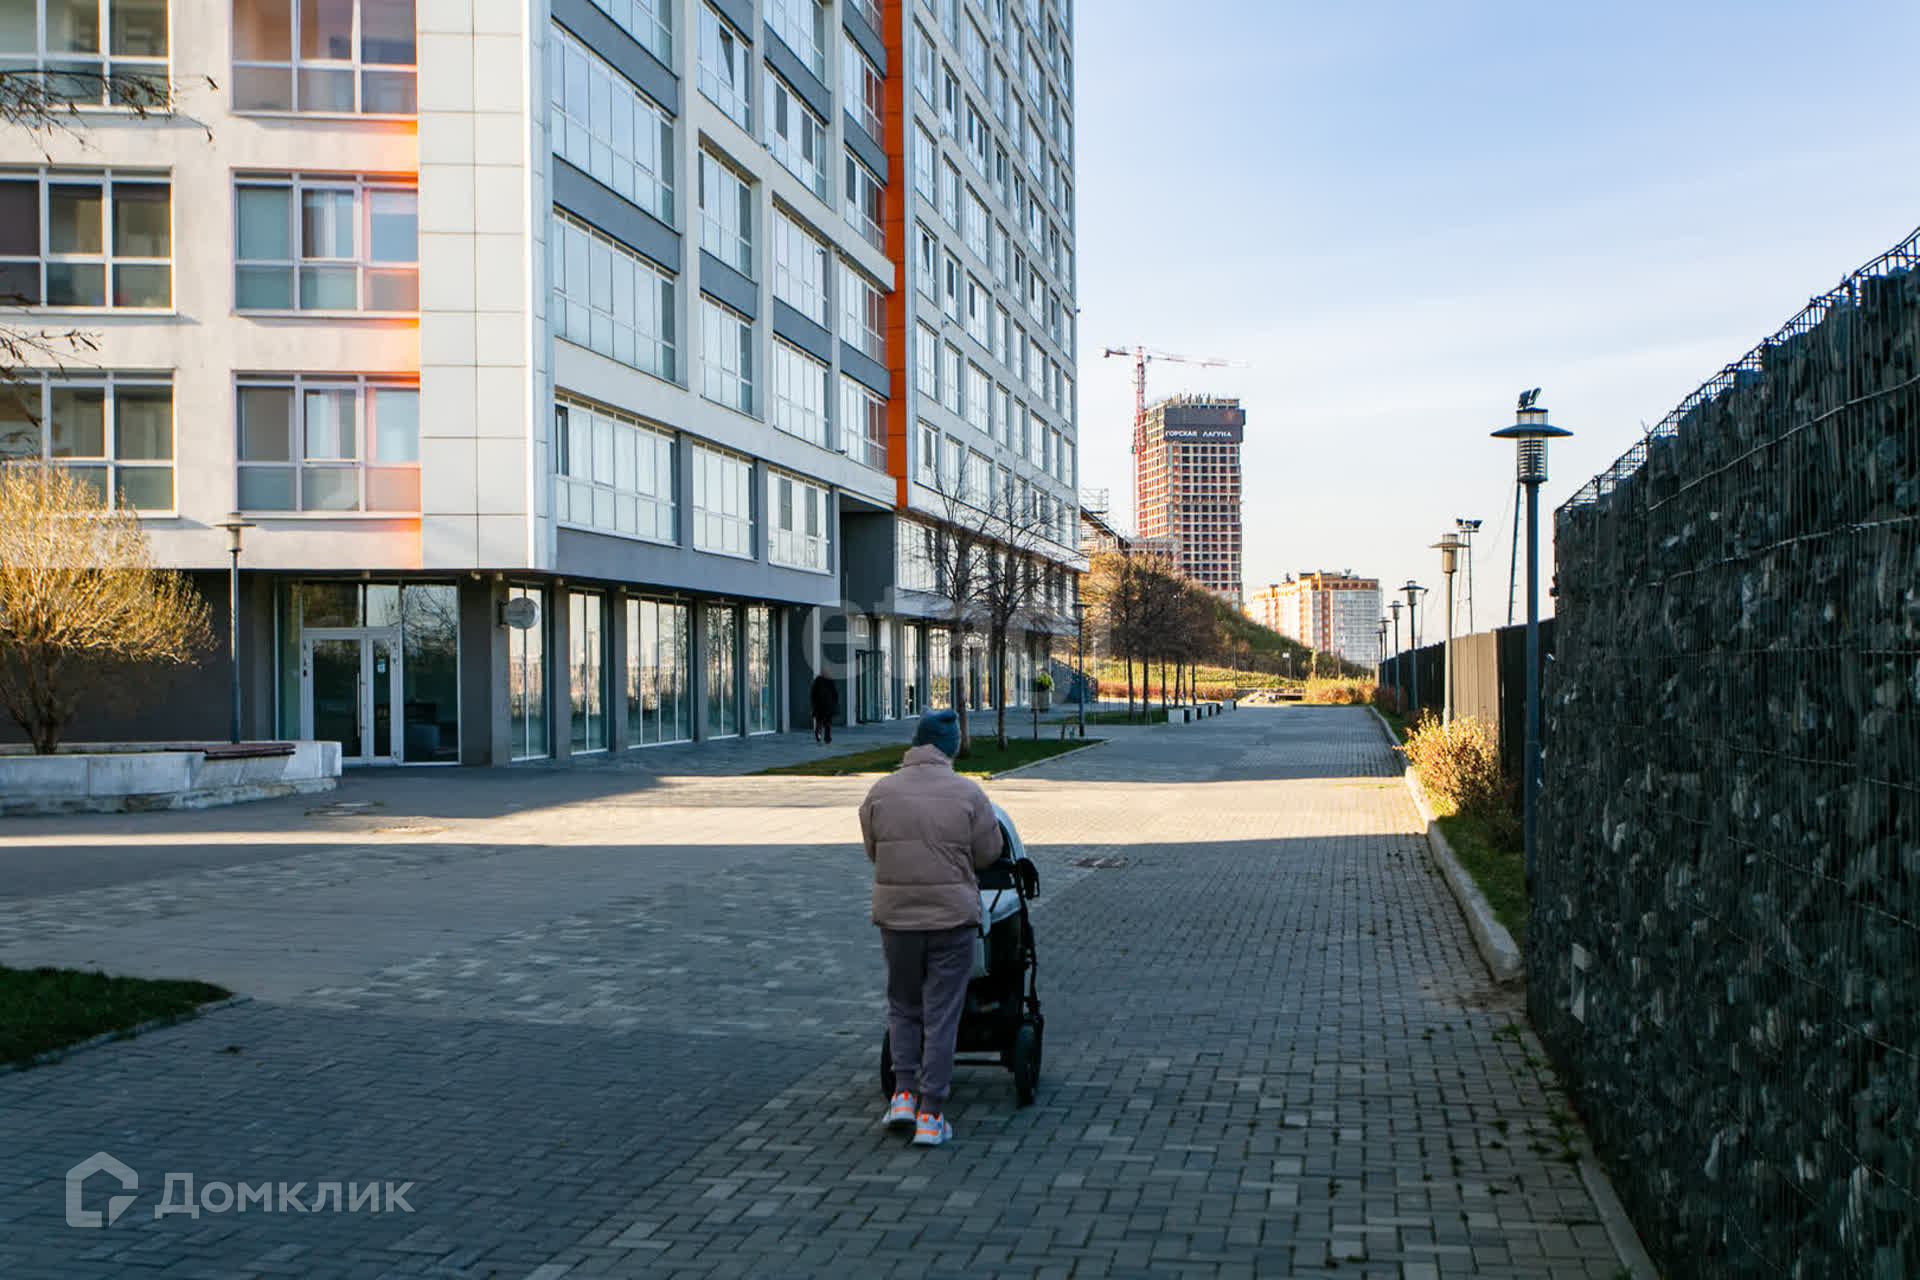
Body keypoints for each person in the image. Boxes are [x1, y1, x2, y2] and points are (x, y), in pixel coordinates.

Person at [858, 708, 1001, 1147]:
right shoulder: (969, 793)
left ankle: (903, 1094)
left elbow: (874, 850)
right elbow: (989, 853)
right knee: (941, 1013)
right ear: (950, 747)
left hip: (897, 917)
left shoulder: (881, 791)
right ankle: (931, 1113)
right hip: (950, 919)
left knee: (903, 1005)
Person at [809, 672, 839, 744]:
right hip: (828, 706)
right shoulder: (830, 681)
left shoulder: (818, 680)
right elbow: (835, 694)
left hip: (819, 705)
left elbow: (813, 693)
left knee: (819, 721)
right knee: (827, 723)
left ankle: (819, 733)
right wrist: (834, 703)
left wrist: (814, 703)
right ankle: (827, 738)